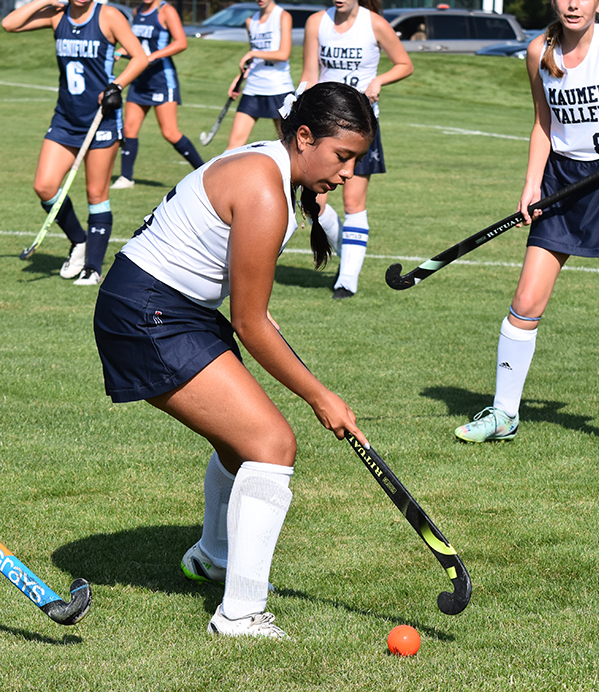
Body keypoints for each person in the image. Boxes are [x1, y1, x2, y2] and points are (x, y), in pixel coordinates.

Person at [93, 83, 375, 638]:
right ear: (303, 137)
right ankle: (240, 612)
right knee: (272, 444)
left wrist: (316, 390)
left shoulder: (269, 169)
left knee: (240, 441)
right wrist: (320, 396)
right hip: (148, 311)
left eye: (356, 161)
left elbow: (255, 320)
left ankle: (213, 558)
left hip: (170, 306)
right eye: (342, 157)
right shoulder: (264, 189)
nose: (347, 173)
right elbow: (251, 322)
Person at [454, 0, 599, 457]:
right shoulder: (538, 49)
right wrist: (530, 185)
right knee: (525, 302)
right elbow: (544, 121)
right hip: (560, 183)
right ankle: (504, 414)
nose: (573, 3)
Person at [2, 0, 147, 285]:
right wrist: (44, 1)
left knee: (96, 194)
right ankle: (78, 242)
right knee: (44, 186)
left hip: (101, 119)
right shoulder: (58, 16)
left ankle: (93, 268)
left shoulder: (108, 16)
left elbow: (140, 57)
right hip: (65, 119)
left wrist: (116, 86)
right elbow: (9, 24)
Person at [301, 0, 413, 299]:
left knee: (352, 202)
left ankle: (347, 279)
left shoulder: (374, 23)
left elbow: (405, 64)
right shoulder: (316, 22)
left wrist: (379, 80)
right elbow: (310, 74)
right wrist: (299, 106)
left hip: (361, 127)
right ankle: (347, 256)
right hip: (325, 127)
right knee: (315, 204)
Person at [111, 0, 204, 190]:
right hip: (139, 79)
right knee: (129, 130)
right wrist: (123, 50)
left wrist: (154, 55)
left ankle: (204, 171)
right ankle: (126, 178)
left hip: (162, 80)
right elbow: (137, 42)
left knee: (170, 132)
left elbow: (181, 43)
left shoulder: (166, 11)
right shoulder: (138, 11)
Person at [225, 0, 294, 150]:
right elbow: (253, 62)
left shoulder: (283, 16)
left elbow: (283, 54)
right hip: (253, 88)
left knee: (288, 146)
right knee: (232, 147)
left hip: (278, 88)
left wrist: (252, 52)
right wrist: (239, 80)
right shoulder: (251, 21)